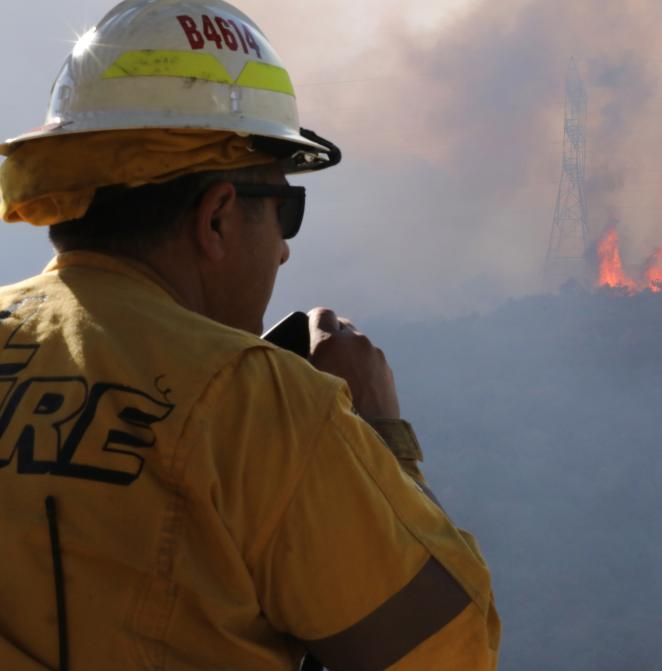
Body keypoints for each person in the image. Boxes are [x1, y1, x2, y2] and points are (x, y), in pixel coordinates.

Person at [0, 1, 500, 670]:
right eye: (284, 208)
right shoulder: (256, 396)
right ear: (217, 218)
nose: (285, 252)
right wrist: (382, 437)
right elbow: (448, 652)